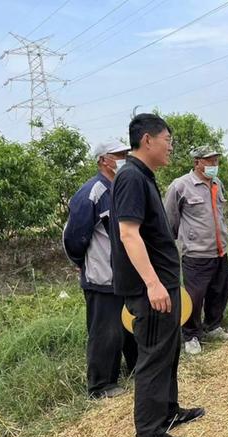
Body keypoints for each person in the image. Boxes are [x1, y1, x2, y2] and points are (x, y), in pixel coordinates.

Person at [110, 113, 204, 437]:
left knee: (168, 349)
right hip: (150, 289)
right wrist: (152, 283)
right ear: (147, 139)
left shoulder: (143, 176)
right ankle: (149, 435)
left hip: (164, 283)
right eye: (167, 140)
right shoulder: (131, 178)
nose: (170, 147)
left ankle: (167, 411)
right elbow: (128, 233)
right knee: (152, 356)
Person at [63, 139, 137, 399]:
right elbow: (74, 237)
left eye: (126, 154)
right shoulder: (91, 192)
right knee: (105, 331)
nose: (124, 159)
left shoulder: (121, 187)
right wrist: (83, 263)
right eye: (118, 155)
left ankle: (135, 368)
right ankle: (101, 385)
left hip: (126, 275)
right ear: (103, 160)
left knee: (129, 325)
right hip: (101, 276)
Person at [164, 145, 228, 356]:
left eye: (216, 161)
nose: (214, 165)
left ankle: (213, 326)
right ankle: (191, 335)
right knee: (194, 297)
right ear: (197, 163)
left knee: (219, 291)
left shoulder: (216, 183)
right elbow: (170, 220)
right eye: (210, 161)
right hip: (196, 253)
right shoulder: (180, 186)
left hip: (219, 250)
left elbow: (218, 214)